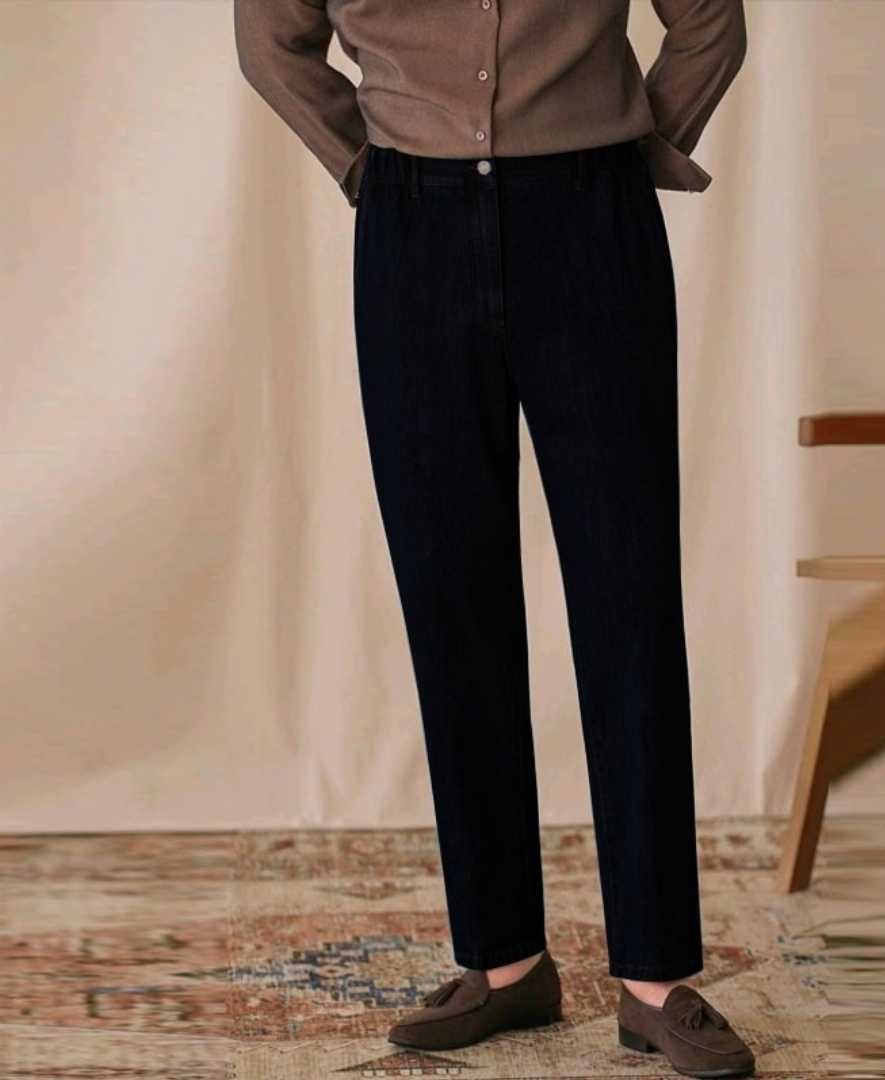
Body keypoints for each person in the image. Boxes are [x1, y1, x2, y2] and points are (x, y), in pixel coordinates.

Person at [233, 2, 752, 1075]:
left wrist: (637, 147)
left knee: (628, 596)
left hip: (593, 218)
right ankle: (504, 960)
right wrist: (366, 162)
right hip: (411, 227)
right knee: (450, 595)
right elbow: (271, 37)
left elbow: (710, 19)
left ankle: (655, 978)